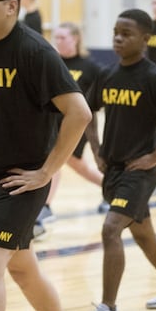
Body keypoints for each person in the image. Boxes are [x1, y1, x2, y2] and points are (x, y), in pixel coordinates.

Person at [0, 0, 90, 311]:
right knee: (22, 267)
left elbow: (79, 113)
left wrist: (47, 172)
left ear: (11, 6)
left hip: (19, 181)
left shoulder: (35, 52)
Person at [77, 9, 156, 311]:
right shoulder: (108, 74)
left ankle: (108, 310)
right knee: (145, 236)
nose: (118, 38)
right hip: (113, 169)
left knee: (111, 230)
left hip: (138, 172)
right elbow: (87, 112)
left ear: (145, 39)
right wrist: (96, 148)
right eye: (116, 32)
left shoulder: (154, 77)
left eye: (126, 33)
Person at [34, 21, 108, 238]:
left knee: (55, 160)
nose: (58, 41)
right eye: (56, 38)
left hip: (77, 125)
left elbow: (97, 100)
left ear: (75, 38)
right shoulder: (52, 62)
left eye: (63, 37)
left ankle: (45, 208)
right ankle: (114, 191)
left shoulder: (90, 67)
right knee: (76, 165)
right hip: (52, 122)